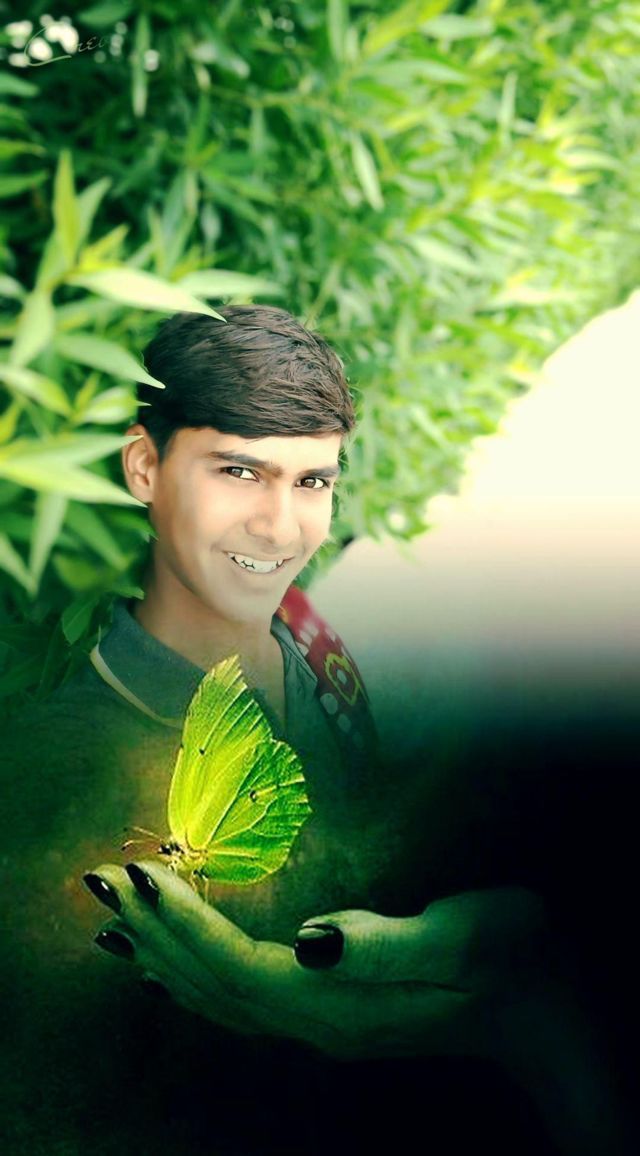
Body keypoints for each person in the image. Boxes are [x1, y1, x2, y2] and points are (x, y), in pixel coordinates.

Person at [3, 306, 632, 1154]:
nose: (280, 524)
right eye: (238, 471)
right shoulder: (64, 750)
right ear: (146, 467)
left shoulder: (308, 637)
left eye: (312, 482)